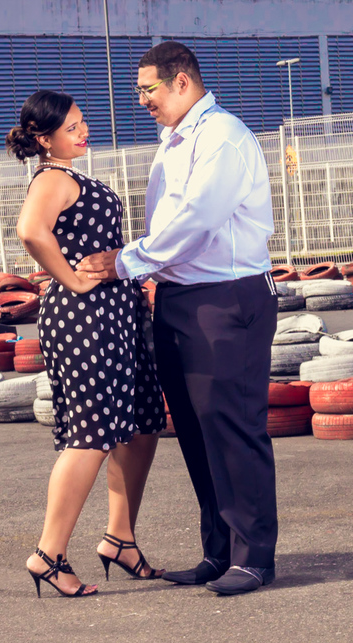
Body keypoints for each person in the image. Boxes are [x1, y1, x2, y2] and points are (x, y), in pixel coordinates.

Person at [78, 41, 279, 596]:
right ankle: (218, 551)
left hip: (226, 297)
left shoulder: (222, 138)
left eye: (148, 89)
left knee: (233, 426)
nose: (142, 100)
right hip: (178, 297)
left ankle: (254, 555)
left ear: (182, 81)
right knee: (194, 430)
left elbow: (196, 220)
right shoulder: (176, 139)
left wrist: (124, 261)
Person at [9, 90, 168, 599]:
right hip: (85, 318)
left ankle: (120, 538)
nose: (83, 131)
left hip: (117, 315)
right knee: (92, 434)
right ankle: (48, 554)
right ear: (44, 137)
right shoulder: (53, 177)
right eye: (72, 127)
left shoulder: (74, 175)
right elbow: (31, 231)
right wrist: (72, 282)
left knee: (141, 425)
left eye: (82, 123)